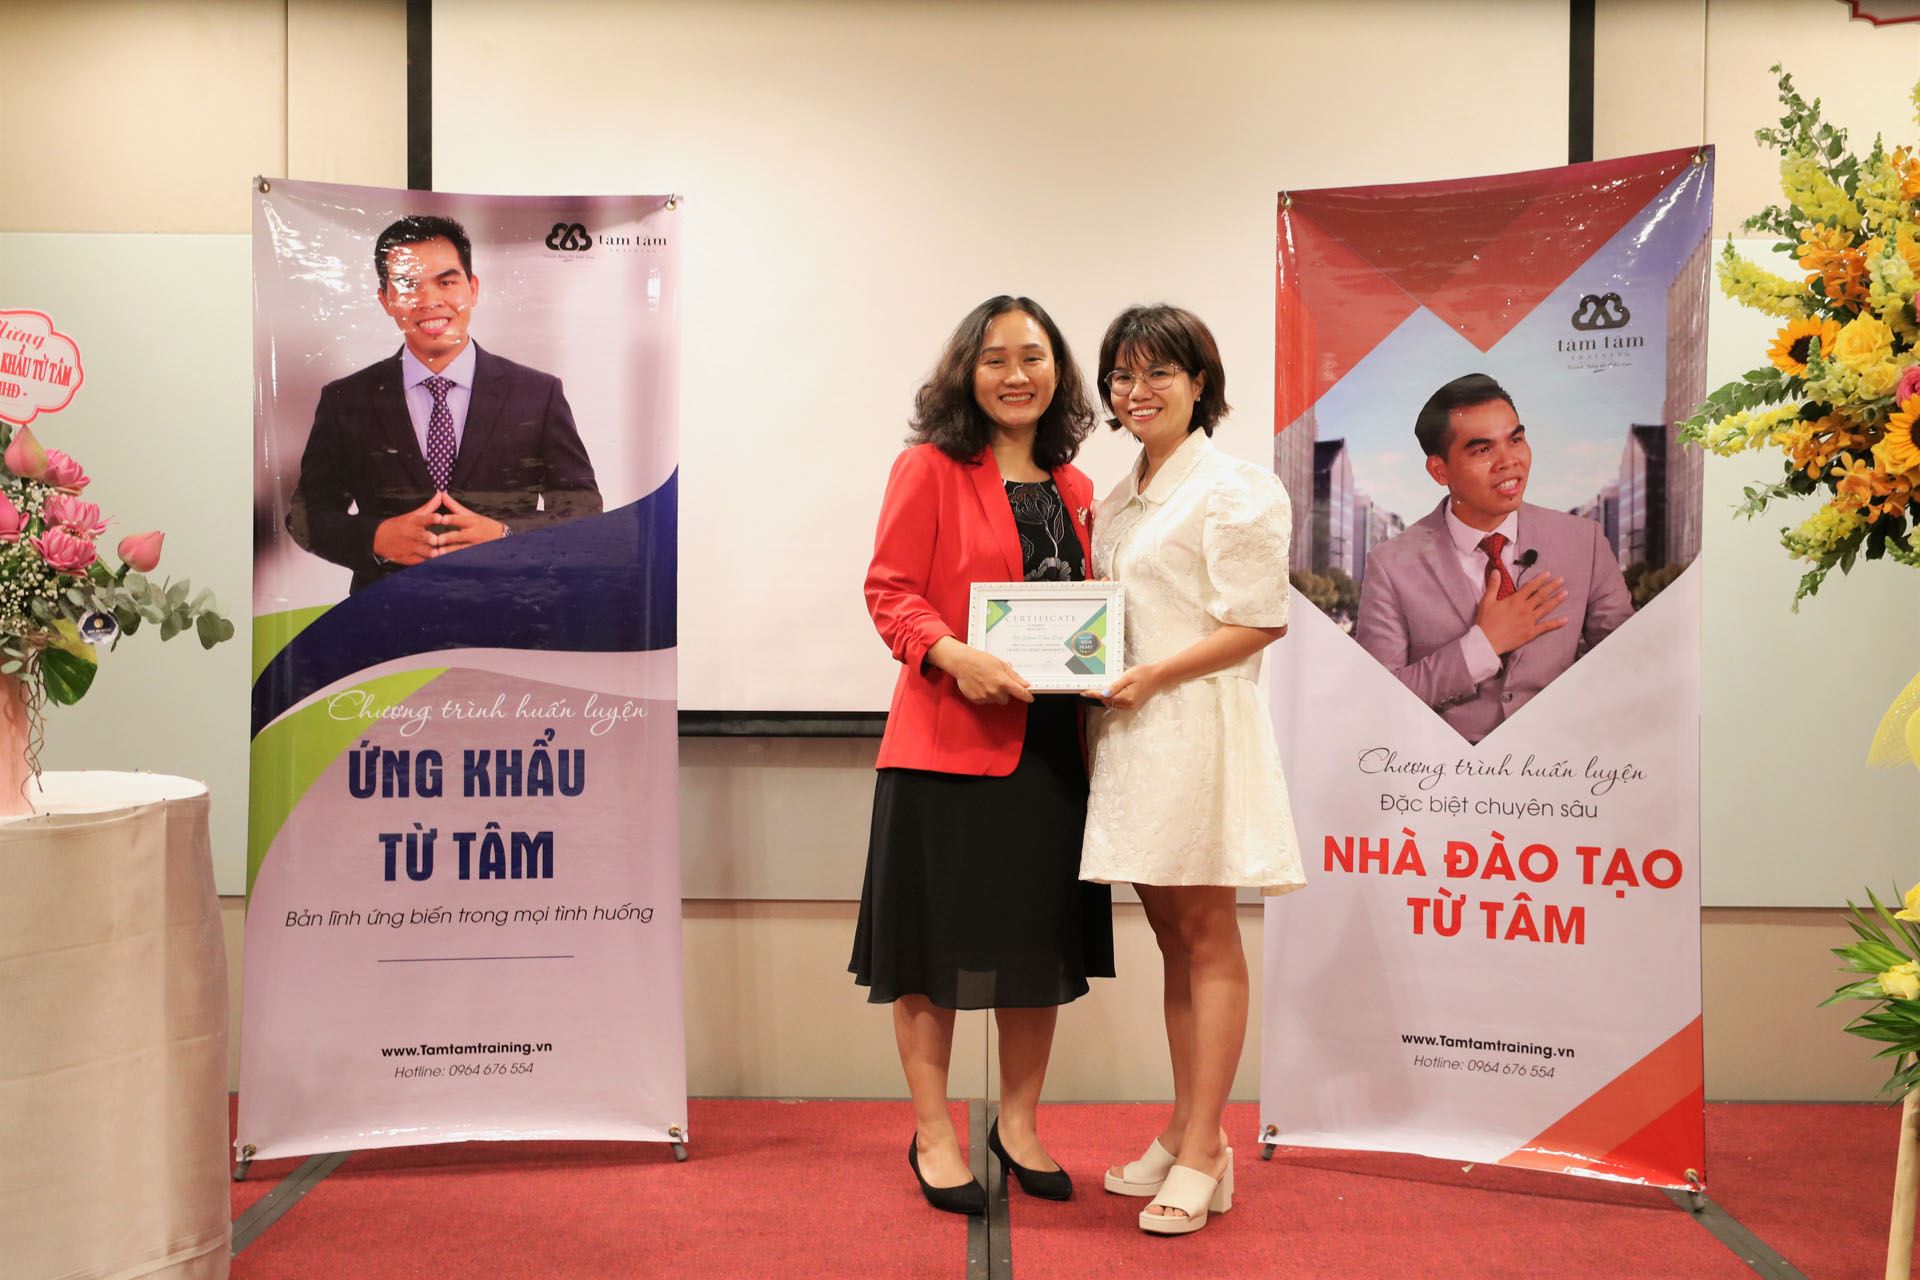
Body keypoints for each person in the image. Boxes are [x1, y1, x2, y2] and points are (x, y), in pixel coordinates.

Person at [852, 295, 1114, 1215]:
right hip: (945, 748)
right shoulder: (928, 468)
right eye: (995, 357)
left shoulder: (1078, 487)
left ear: (1058, 371)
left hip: (1049, 755)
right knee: (932, 955)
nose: (1015, 374)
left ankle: (1019, 1126)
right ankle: (933, 1132)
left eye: (1033, 356)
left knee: (1035, 950)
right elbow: (890, 592)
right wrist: (952, 654)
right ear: (967, 371)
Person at [1079, 304, 1304, 1236]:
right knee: (1172, 936)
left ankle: (1209, 1147)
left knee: (1207, 935)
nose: (1138, 392)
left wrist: (1155, 675)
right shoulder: (1118, 495)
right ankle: (1182, 1128)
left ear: (1200, 381)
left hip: (1196, 726)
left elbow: (1260, 621)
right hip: (1132, 736)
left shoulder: (1234, 488)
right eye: (1122, 377)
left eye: (1158, 373)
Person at [286, 214, 602, 592]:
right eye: (408, 285)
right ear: (386, 299)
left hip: (509, 613)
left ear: (472, 288)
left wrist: (505, 536)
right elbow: (306, 516)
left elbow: (582, 509)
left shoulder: (537, 394)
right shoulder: (346, 401)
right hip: (383, 616)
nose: (430, 301)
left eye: (446, 282)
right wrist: (376, 538)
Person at [1354, 373, 1633, 744]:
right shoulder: (1390, 564)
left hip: (1564, 764)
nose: (1509, 461)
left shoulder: (1585, 542)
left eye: (1515, 440)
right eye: (1483, 450)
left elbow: (1630, 667)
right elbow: (1379, 700)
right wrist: (1481, 647)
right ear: (1439, 470)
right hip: (1445, 771)